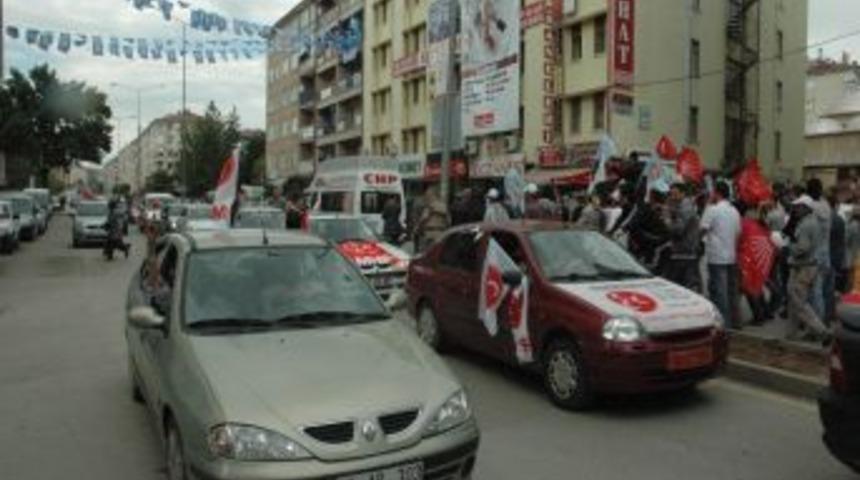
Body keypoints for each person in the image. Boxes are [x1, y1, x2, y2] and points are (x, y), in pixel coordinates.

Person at [786, 195, 831, 342]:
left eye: (798, 207)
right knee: (795, 300)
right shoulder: (813, 222)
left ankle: (821, 331)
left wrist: (787, 245)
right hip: (808, 266)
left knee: (799, 302)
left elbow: (802, 248)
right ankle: (792, 334)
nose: (795, 209)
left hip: (803, 267)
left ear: (805, 208)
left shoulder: (806, 224)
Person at [700, 181, 741, 330]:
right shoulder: (735, 211)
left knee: (719, 291)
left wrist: (707, 205)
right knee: (730, 291)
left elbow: (702, 229)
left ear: (717, 193)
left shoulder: (713, 209)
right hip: (731, 255)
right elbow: (738, 233)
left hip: (716, 256)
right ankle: (735, 321)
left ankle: (724, 324)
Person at [666, 183, 701, 292]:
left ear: (683, 193)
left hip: (685, 252)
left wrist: (667, 220)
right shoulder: (682, 206)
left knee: (684, 286)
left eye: (675, 194)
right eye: (671, 194)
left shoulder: (685, 207)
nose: (673, 197)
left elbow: (678, 229)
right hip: (684, 251)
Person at [806, 178, 833, 323]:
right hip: (825, 253)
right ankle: (821, 321)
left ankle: (818, 326)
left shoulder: (811, 207)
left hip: (813, 255)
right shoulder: (826, 205)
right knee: (820, 290)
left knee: (814, 292)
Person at [416, 187, 450, 252]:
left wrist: (418, 228)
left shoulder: (429, 206)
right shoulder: (443, 206)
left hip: (429, 233)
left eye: (427, 195)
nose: (426, 197)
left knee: (428, 253)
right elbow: (448, 221)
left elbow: (424, 219)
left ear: (432, 195)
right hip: (441, 232)